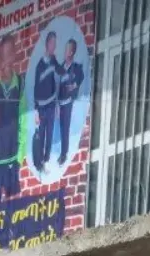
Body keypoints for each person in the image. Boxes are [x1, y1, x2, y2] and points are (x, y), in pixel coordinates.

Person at [0, 39, 27, 206]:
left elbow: (24, 123)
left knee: (12, 209)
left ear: (14, 57)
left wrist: (19, 158)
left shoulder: (21, 86)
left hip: (12, 157)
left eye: (8, 55)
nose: (5, 62)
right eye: (2, 57)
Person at [32, 31, 60, 171]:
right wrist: (36, 110)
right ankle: (39, 162)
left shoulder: (54, 61)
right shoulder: (40, 66)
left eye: (55, 43)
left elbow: (59, 73)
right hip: (42, 107)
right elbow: (36, 89)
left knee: (50, 134)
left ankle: (46, 160)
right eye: (52, 43)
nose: (53, 46)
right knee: (41, 135)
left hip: (51, 105)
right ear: (47, 44)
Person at [57, 38, 85, 167]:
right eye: (65, 49)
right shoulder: (60, 68)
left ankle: (64, 154)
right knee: (59, 128)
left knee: (65, 128)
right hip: (59, 102)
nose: (66, 52)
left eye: (68, 49)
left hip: (69, 102)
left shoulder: (76, 67)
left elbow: (81, 77)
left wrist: (74, 86)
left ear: (72, 52)